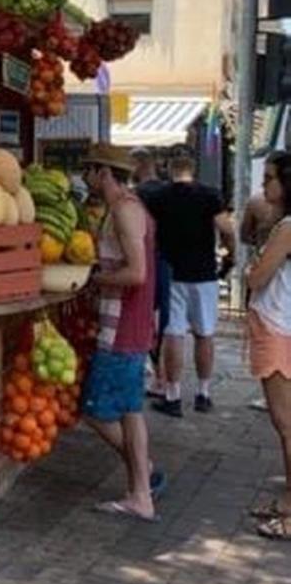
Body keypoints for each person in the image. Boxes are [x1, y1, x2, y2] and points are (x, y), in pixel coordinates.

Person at [80, 144, 160, 521]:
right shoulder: (126, 207)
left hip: (122, 327)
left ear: (104, 173)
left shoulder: (125, 211)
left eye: (90, 170)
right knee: (130, 411)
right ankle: (141, 492)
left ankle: (144, 478)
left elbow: (137, 273)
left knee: (95, 410)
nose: (86, 177)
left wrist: (97, 280)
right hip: (131, 325)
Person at [146, 151, 233, 416]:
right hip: (205, 274)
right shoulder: (210, 195)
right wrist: (230, 259)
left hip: (172, 274)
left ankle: (172, 396)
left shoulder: (158, 197)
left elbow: (148, 233)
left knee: (174, 335)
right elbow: (227, 230)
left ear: (169, 167)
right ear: (192, 168)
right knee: (204, 334)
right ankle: (203, 394)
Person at [245, 151, 291, 541]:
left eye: (270, 178)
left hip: (278, 326)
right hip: (280, 324)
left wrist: (249, 269)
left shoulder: (288, 227)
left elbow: (258, 277)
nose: (265, 186)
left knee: (286, 423)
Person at [132, 148, 170, 400]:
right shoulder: (169, 191)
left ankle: (151, 370)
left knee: (145, 315)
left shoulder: (139, 196)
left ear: (139, 165)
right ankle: (163, 377)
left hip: (147, 259)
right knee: (163, 319)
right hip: (168, 261)